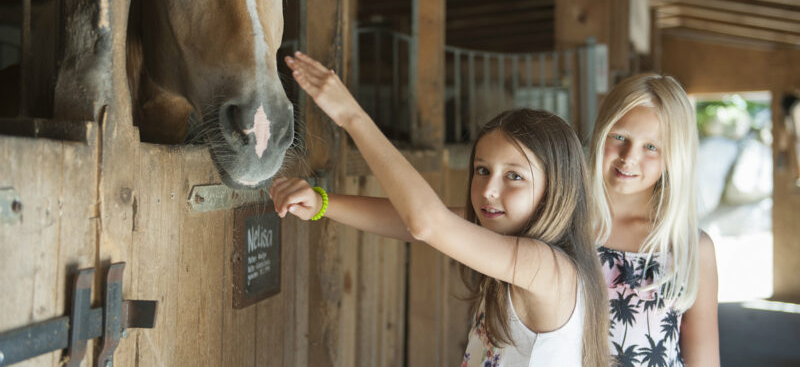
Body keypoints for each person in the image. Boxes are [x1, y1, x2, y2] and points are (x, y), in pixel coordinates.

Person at [270, 52, 609, 367]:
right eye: (482, 170)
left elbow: (426, 223)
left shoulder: (548, 267)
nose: (489, 190)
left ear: (558, 189)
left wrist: (352, 116)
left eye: (514, 176)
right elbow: (409, 221)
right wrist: (321, 203)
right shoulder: (514, 244)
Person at [588, 74, 720, 366]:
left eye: (651, 147)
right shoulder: (564, 223)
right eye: (620, 136)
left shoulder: (690, 247)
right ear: (600, 133)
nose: (629, 157)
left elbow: (704, 356)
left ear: (674, 157)